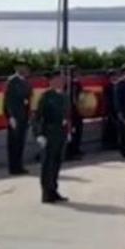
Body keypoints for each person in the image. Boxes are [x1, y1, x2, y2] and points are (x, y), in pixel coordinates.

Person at [33, 69, 69, 203]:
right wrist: (39, 134)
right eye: (59, 79)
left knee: (57, 163)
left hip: (60, 133)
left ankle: (54, 190)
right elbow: (38, 117)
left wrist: (68, 131)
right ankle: (46, 194)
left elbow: (66, 116)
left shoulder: (65, 96)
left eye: (62, 79)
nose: (62, 81)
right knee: (47, 164)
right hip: (49, 133)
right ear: (52, 81)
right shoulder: (46, 96)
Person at [3, 58, 33, 175]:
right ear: (17, 68)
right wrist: (10, 117)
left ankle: (19, 166)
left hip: (23, 116)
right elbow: (8, 101)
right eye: (22, 66)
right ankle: (13, 167)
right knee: (13, 143)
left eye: (26, 67)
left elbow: (27, 100)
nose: (25, 69)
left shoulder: (25, 81)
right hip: (15, 117)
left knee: (20, 142)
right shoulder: (12, 81)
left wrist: (28, 116)